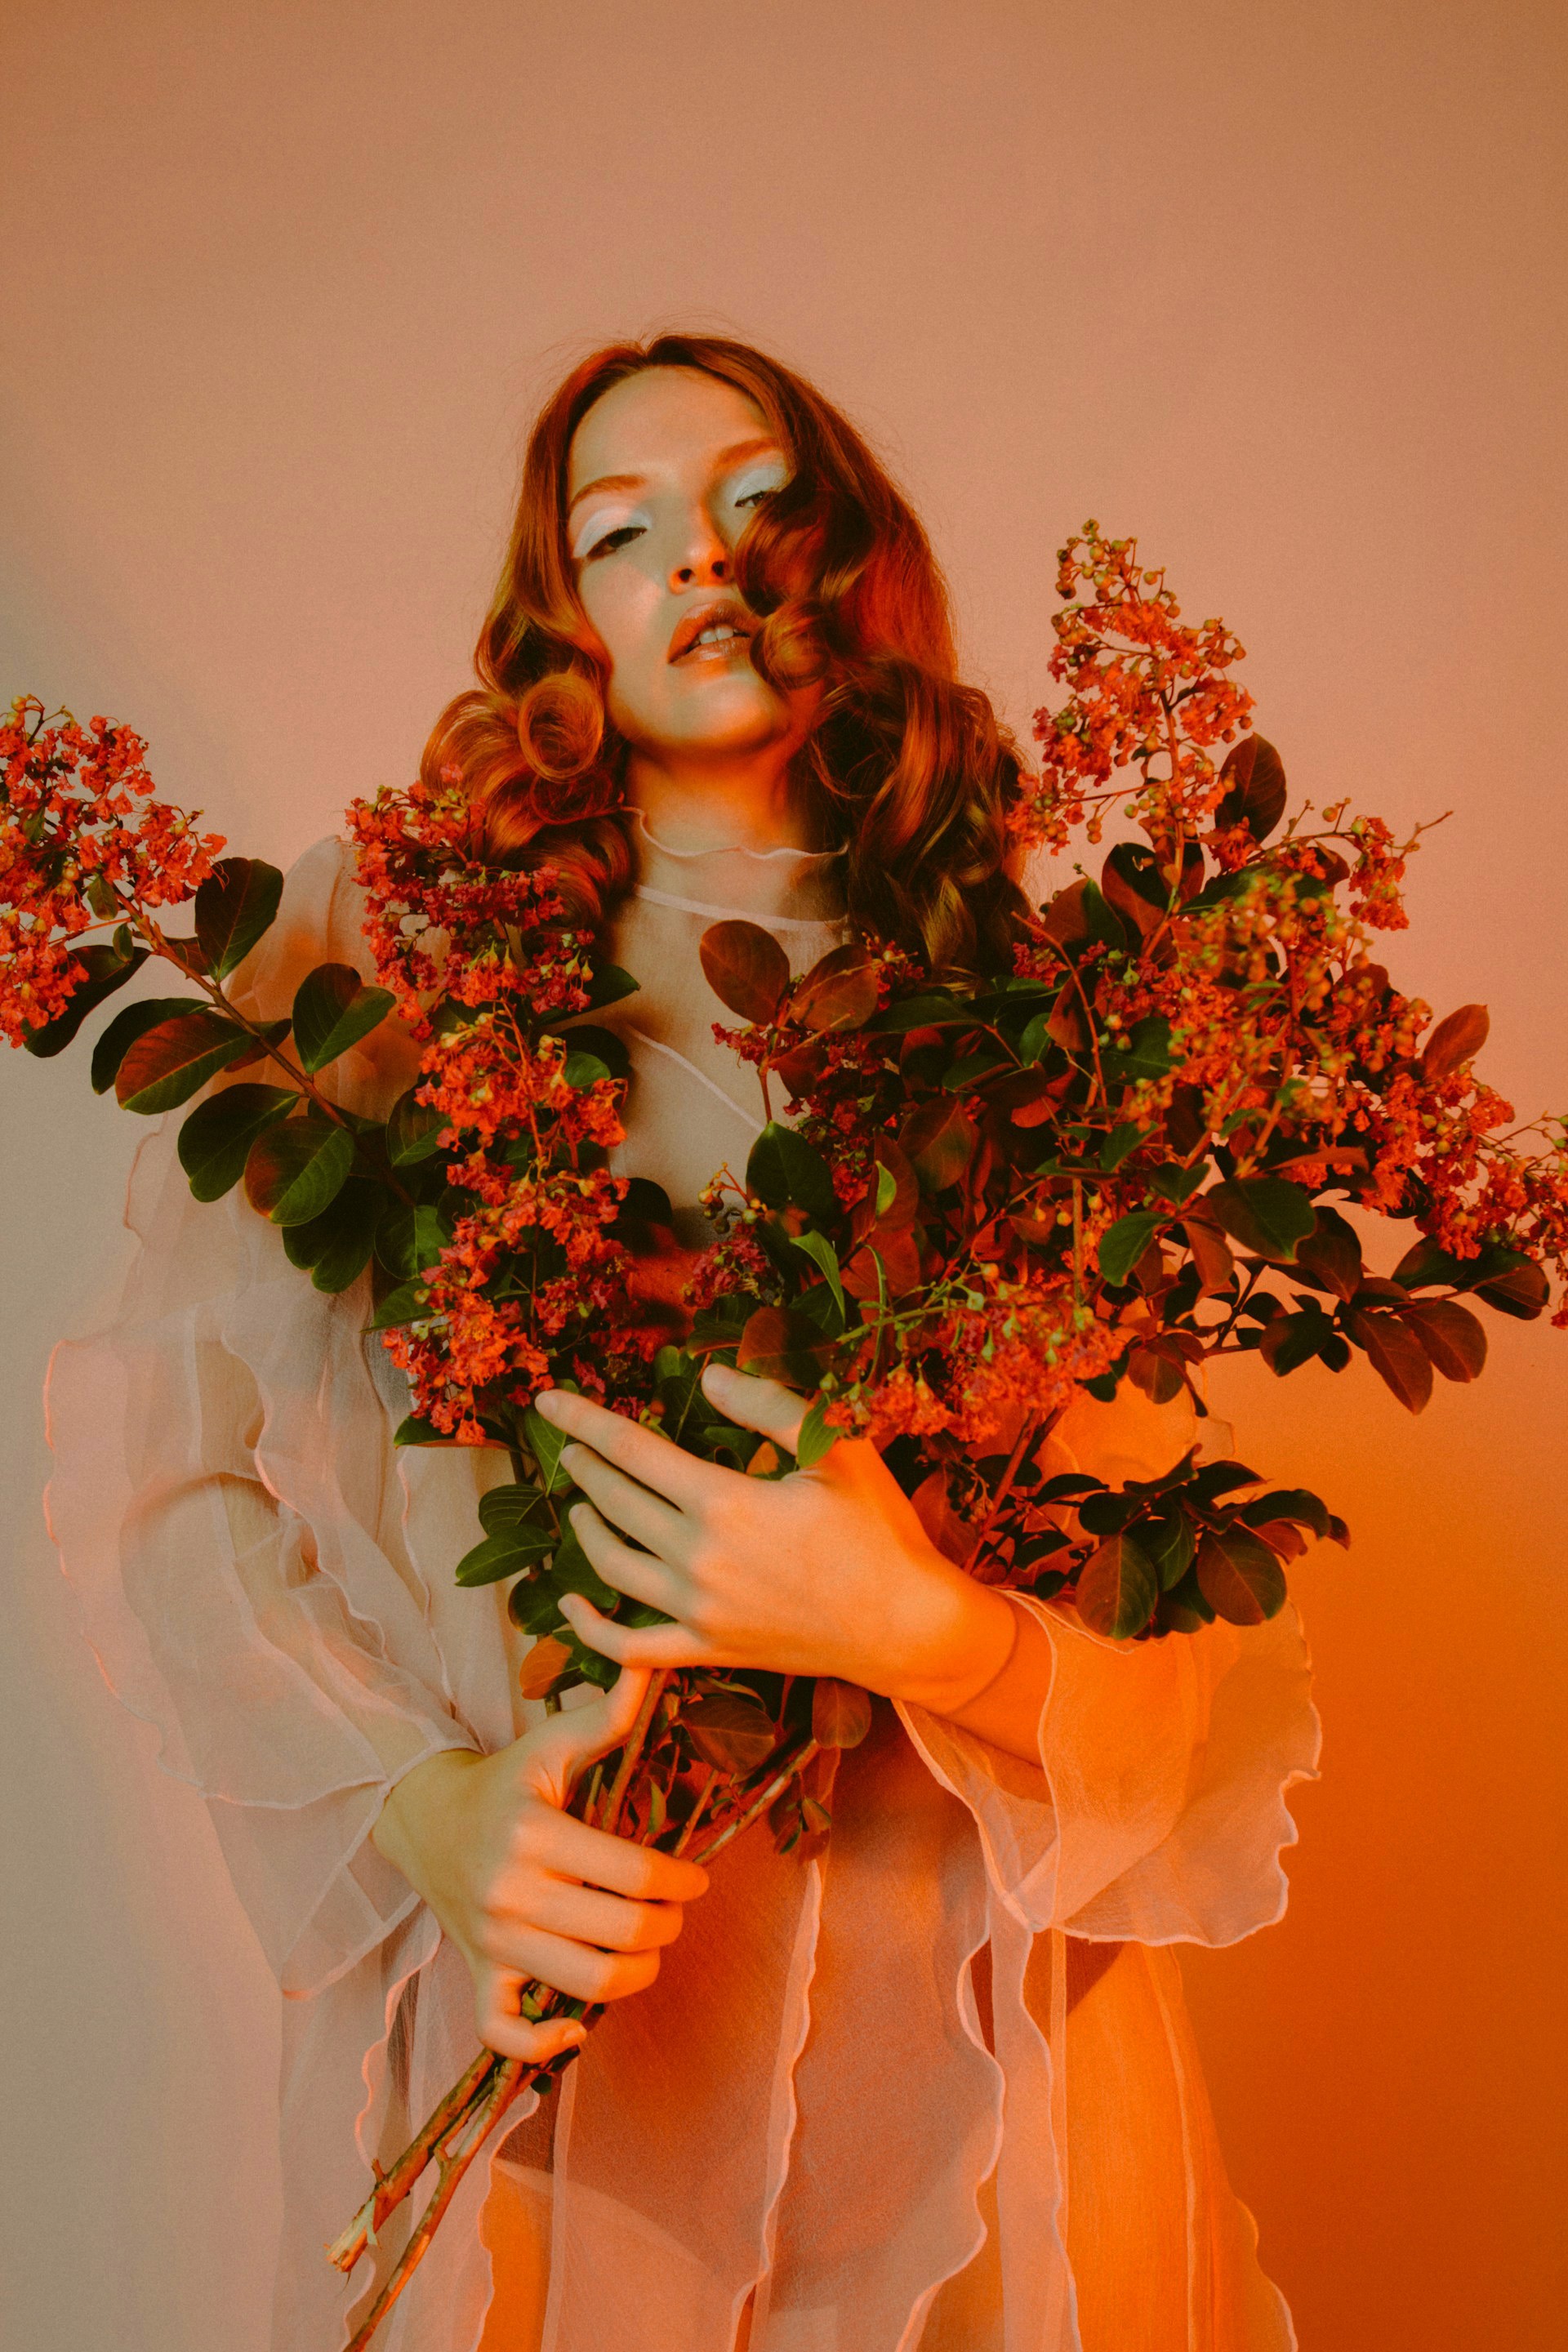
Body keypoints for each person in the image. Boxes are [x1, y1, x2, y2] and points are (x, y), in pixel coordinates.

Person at [47, 334, 1319, 2352]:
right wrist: (427, 1808)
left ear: (853, 554)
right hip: (571, 2036)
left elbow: (1192, 1672)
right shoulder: (380, 952)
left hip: (977, 2059)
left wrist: (924, 1633)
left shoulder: (1054, 1012)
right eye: (621, 531)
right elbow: (175, 1483)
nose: (703, 562)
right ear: (562, 620)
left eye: (757, 499)